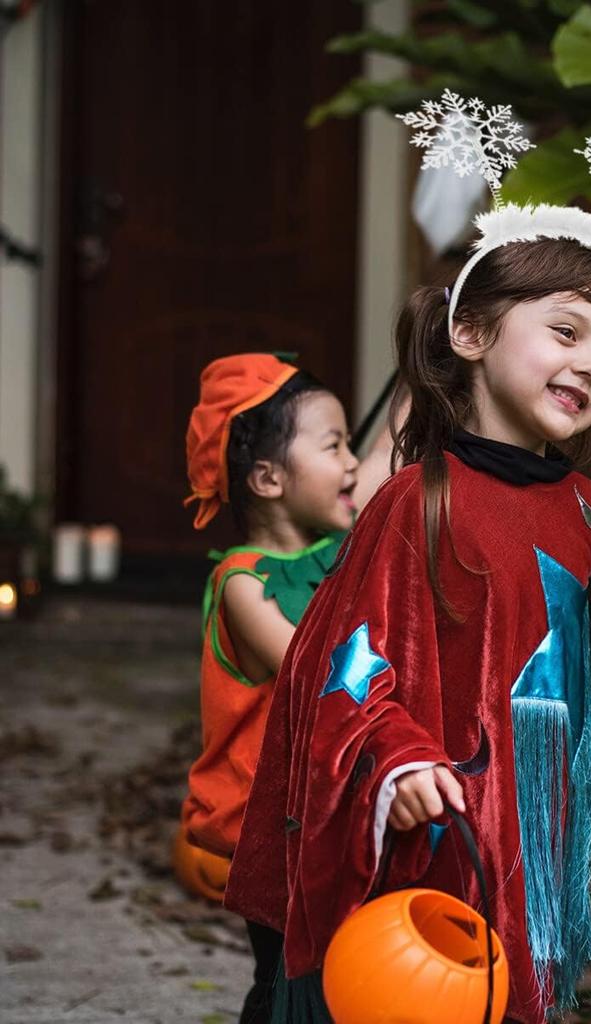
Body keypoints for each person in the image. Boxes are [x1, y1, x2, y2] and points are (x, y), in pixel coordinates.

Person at [226, 95, 591, 1024]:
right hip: (425, 826)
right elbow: (335, 666)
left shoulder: (580, 511)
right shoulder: (418, 505)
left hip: (519, 828)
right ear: (470, 335)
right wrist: (397, 762)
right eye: (566, 331)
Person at [179, 352, 394, 1024]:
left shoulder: (336, 542)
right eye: (334, 447)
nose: (354, 463)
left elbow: (387, 453)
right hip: (270, 826)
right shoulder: (244, 584)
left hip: (324, 813)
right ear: (269, 477)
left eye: (349, 445)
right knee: (284, 978)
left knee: (334, 972)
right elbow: (316, 673)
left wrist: (428, 357)